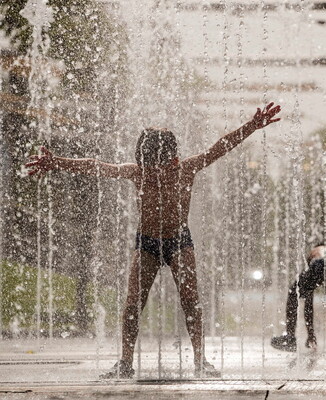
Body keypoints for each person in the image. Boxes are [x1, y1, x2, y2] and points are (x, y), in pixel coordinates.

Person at [26, 103, 281, 378]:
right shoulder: (138, 172)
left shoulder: (186, 168)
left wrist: (252, 126)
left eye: (159, 168)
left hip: (178, 241)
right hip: (146, 242)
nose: (154, 176)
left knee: (191, 299)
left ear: (172, 160)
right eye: (148, 169)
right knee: (132, 303)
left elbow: (220, 146)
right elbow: (96, 166)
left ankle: (200, 360)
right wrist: (57, 162)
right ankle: (124, 363)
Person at [271, 243, 326, 353]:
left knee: (294, 293)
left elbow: (309, 303)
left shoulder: (314, 252)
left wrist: (311, 334)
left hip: (318, 265)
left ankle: (290, 337)